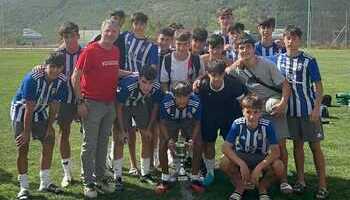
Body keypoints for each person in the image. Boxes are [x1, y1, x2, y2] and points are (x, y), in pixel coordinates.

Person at [226, 36, 293, 194]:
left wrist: (282, 103)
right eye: (241, 48)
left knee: (280, 144)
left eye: (248, 47)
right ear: (238, 51)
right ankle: (253, 176)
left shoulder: (266, 64)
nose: (245, 51)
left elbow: (285, 85)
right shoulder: (238, 68)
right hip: (254, 109)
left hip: (273, 106)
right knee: (258, 145)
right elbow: (224, 73)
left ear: (253, 48)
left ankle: (284, 180)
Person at [277, 25, 328, 200]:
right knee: (297, 146)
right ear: (283, 40)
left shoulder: (308, 60)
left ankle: (322, 185)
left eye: (295, 38)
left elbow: (319, 87)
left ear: (300, 40)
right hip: (291, 112)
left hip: (308, 111)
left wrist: (316, 108)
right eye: (288, 38)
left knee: (315, 147)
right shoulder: (279, 59)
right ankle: (300, 180)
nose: (291, 42)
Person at [71, 19, 120, 198]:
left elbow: (112, 71)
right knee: (89, 145)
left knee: (103, 144)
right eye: (107, 30)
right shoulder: (90, 50)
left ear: (118, 34)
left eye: (114, 31)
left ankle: (100, 177)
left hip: (109, 104)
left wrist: (132, 74)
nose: (110, 34)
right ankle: (88, 181)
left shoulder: (116, 50)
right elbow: (75, 77)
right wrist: (80, 102)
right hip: (91, 104)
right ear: (102, 31)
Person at [10, 52, 67, 200]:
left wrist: (49, 127)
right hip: (22, 111)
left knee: (49, 139)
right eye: (52, 67)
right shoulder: (32, 78)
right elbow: (28, 108)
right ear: (45, 66)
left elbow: (54, 106)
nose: (55, 70)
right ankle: (23, 187)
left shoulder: (62, 80)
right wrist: (26, 132)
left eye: (58, 67)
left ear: (62, 68)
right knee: (23, 145)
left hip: (40, 110)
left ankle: (45, 182)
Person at [220, 94, 284, 200]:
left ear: (261, 112)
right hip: (242, 155)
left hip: (260, 156)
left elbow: (275, 152)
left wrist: (259, 168)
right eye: (248, 112)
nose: (252, 116)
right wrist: (242, 164)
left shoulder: (267, 125)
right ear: (243, 112)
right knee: (224, 162)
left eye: (256, 112)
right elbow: (225, 147)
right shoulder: (237, 123)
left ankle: (262, 188)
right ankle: (240, 187)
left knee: (279, 166)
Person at [196, 60, 247, 187]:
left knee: (232, 145)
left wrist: (245, 122)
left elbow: (243, 105)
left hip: (229, 116)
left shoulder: (234, 84)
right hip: (209, 116)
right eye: (213, 75)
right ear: (208, 74)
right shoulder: (202, 85)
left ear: (224, 74)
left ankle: (236, 171)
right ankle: (210, 172)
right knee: (209, 143)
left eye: (219, 75)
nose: (216, 78)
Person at [113, 66, 162, 189]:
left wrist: (149, 128)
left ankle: (145, 174)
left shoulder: (156, 87)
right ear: (139, 79)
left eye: (150, 83)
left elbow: (155, 107)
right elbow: (118, 107)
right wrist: (123, 130)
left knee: (146, 137)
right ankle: (117, 177)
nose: (147, 86)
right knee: (120, 139)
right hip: (123, 107)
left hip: (140, 103)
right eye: (144, 82)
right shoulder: (127, 86)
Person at [123, 12, 160, 176]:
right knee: (129, 131)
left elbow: (152, 68)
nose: (139, 26)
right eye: (136, 23)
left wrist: (142, 81)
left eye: (142, 23)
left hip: (143, 92)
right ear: (132, 24)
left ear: (146, 25)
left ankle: (147, 166)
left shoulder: (151, 46)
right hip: (125, 89)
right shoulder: (125, 37)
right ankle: (132, 165)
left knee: (145, 130)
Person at [155, 81, 204, 194]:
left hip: (188, 119)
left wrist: (192, 139)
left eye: (185, 97)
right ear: (174, 96)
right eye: (179, 97)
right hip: (170, 120)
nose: (182, 100)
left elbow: (197, 122)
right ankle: (165, 178)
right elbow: (162, 122)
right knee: (162, 144)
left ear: (190, 95)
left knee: (198, 143)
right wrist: (169, 139)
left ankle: (195, 177)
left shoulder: (195, 101)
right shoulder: (166, 101)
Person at [54, 21, 83, 188]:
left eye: (72, 35)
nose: (70, 39)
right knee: (64, 133)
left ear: (78, 36)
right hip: (64, 101)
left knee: (89, 134)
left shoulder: (85, 53)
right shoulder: (58, 54)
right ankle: (67, 173)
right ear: (62, 38)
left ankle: (88, 170)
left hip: (83, 99)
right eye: (66, 36)